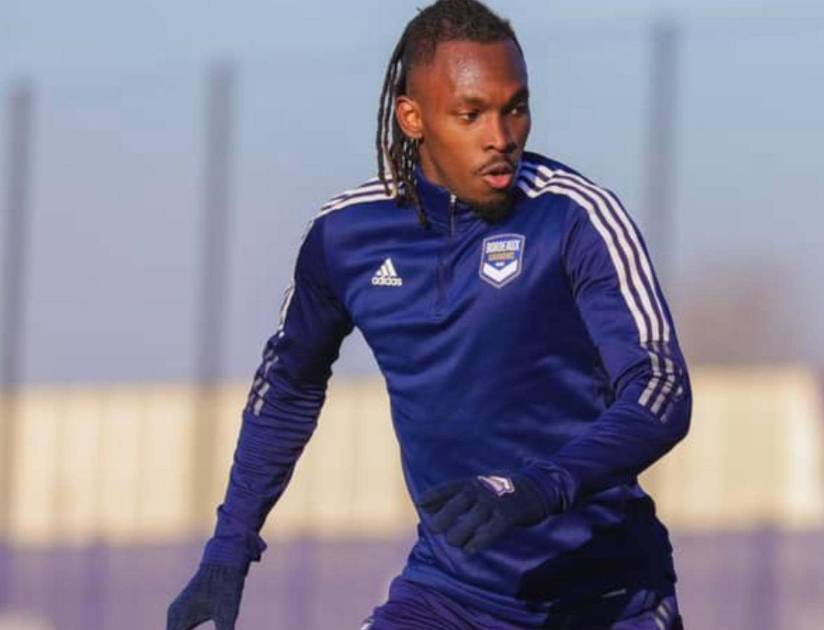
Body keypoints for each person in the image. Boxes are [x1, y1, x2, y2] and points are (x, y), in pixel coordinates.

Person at [165, 1, 691, 628]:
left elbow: (661, 388)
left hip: (606, 601)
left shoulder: (575, 217)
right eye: (471, 114)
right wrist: (227, 550)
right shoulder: (345, 237)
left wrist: (541, 485)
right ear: (412, 118)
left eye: (515, 108)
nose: (501, 136)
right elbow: (287, 389)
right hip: (448, 598)